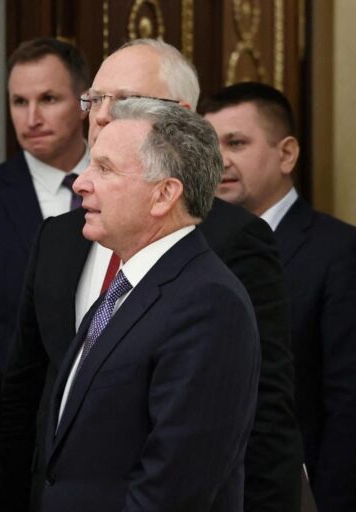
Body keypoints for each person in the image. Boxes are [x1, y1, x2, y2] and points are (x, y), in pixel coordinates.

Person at [3, 39, 303, 511]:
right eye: (94, 100)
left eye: (125, 102)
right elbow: (28, 394)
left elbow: (245, 430)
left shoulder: (215, 281)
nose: (102, 116)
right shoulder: (70, 244)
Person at [38, 97, 259, 511]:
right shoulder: (126, 287)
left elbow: (173, 488)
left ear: (164, 195)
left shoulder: (208, 304)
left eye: (104, 168)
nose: (81, 183)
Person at [201, 81, 356, 512]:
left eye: (236, 143)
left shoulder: (339, 251)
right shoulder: (193, 249)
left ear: (286, 154)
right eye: (210, 146)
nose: (219, 160)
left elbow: (347, 400)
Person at [0, 38, 90, 367]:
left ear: (85, 103)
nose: (32, 118)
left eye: (48, 99)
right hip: (16, 394)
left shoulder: (128, 186)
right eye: (19, 102)